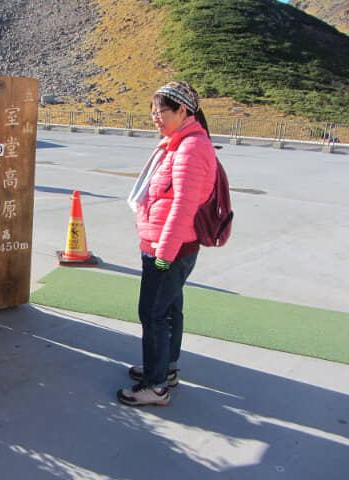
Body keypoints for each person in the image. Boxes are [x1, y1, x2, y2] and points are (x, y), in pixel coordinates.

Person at [118, 81, 217, 407]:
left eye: (161, 111)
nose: (155, 117)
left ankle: (156, 386)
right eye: (152, 110)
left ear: (183, 111)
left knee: (153, 314)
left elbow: (183, 207)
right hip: (170, 246)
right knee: (170, 309)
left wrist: (163, 255)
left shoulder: (189, 148)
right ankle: (166, 369)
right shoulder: (178, 143)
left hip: (169, 249)